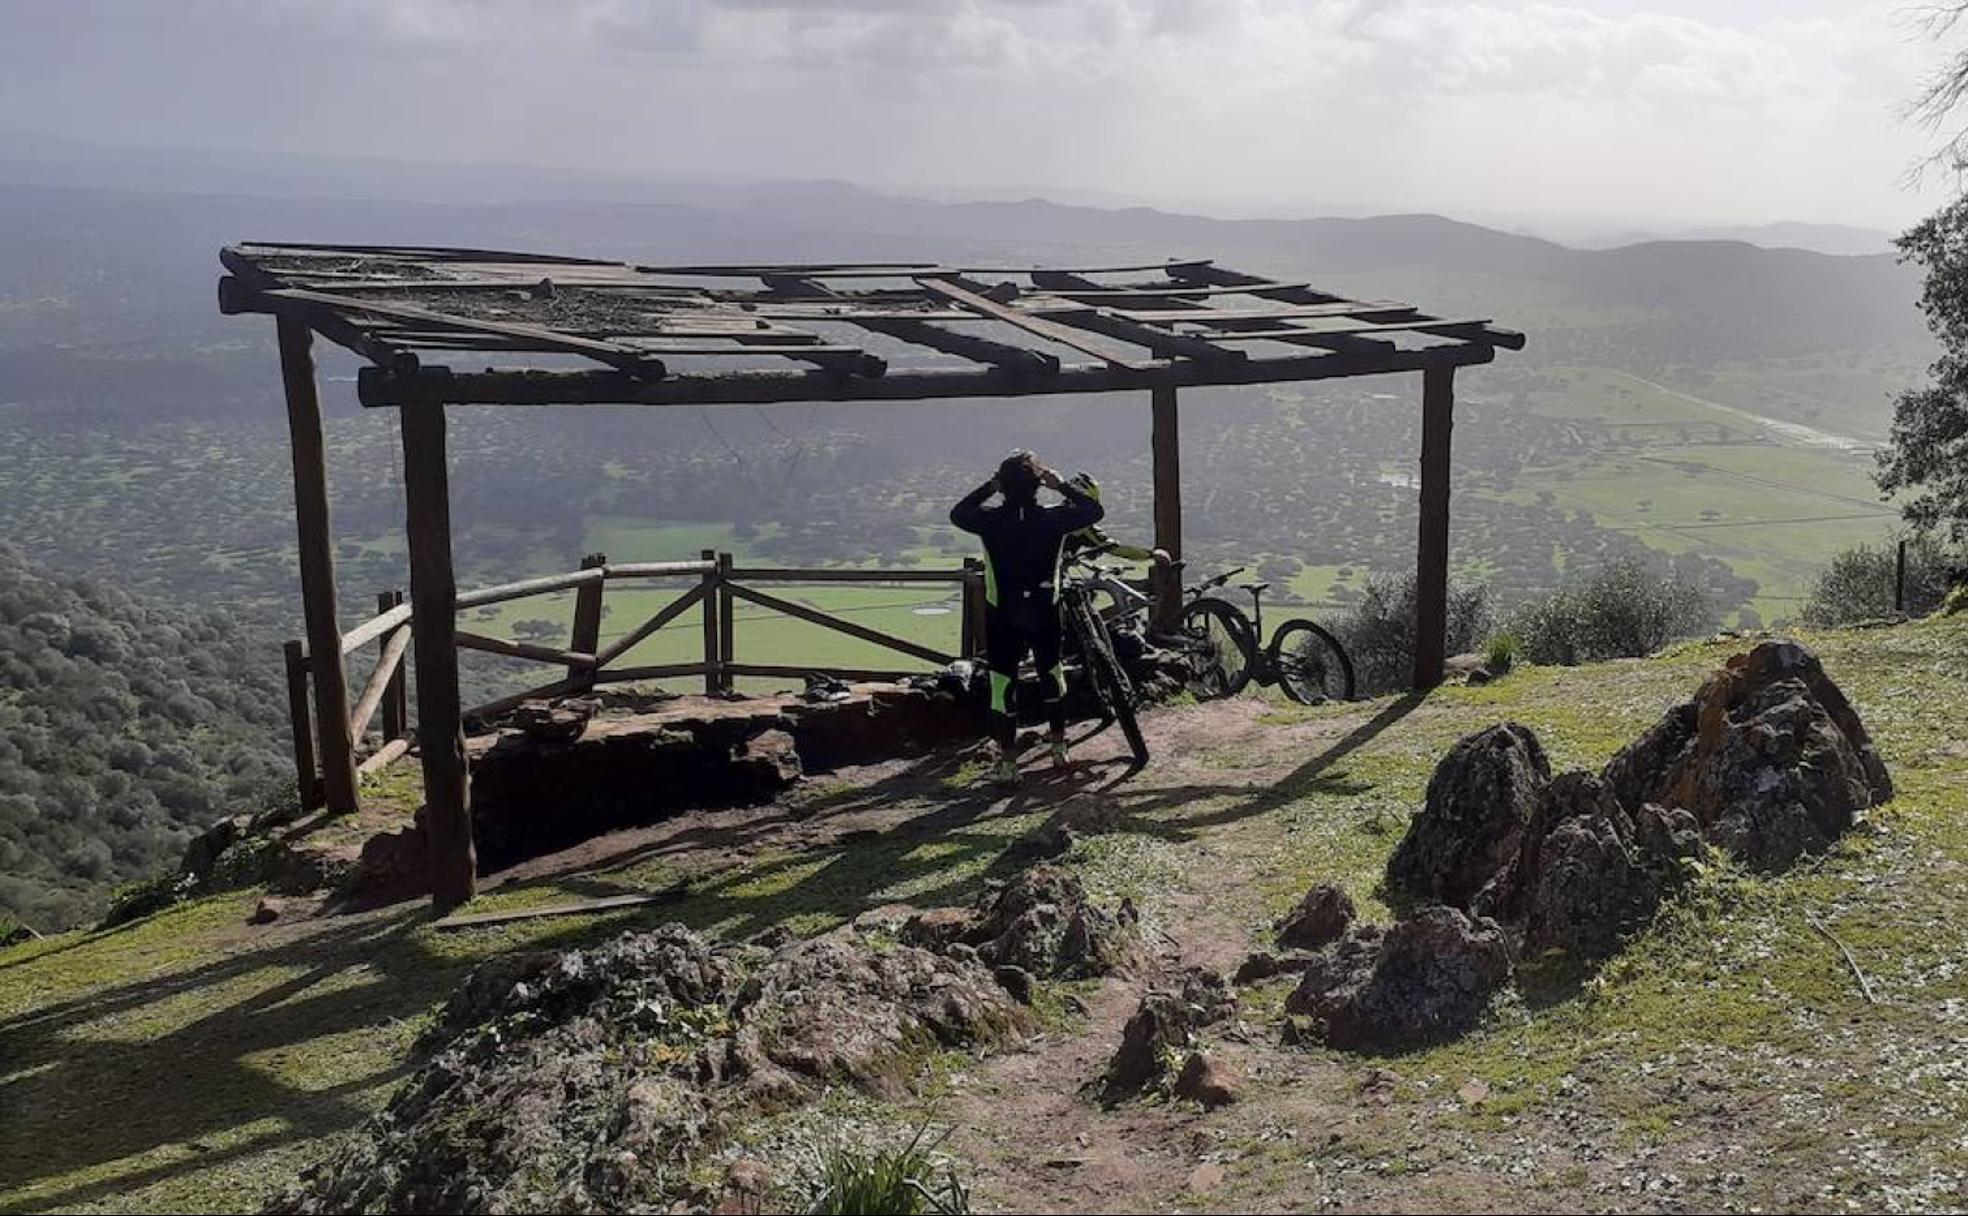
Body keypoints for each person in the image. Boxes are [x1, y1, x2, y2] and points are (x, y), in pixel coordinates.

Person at [950, 450, 1104, 783]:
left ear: (1002, 486)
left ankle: (1008, 764)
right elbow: (1094, 511)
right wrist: (1061, 485)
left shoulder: (989, 521)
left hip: (1002, 611)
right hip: (1044, 608)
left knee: (1002, 682)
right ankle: (1060, 748)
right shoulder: (1054, 518)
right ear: (1038, 485)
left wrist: (991, 486)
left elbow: (958, 513)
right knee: (1052, 672)